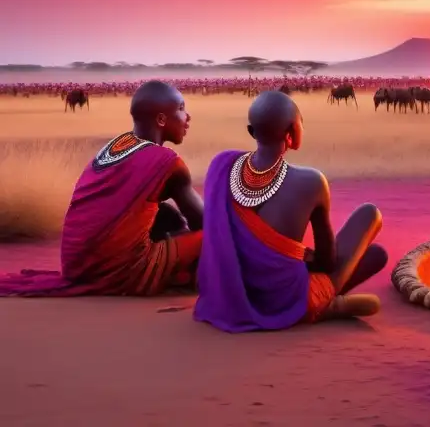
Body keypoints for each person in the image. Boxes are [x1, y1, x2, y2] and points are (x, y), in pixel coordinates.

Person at [194, 90, 387, 332]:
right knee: (370, 215)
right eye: (300, 123)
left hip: (230, 295)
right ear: (291, 134)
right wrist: (303, 258)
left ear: (252, 132)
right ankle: (324, 307)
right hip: (284, 298)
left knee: (375, 255)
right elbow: (327, 263)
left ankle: (327, 304)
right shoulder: (312, 181)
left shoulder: (221, 166)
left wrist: (294, 254)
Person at [0, 81, 204, 297]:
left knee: (163, 213)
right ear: (161, 119)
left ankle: (173, 269)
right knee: (216, 236)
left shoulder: (115, 146)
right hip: (121, 273)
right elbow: (204, 222)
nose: (187, 117)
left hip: (78, 267)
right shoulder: (167, 163)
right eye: (181, 109)